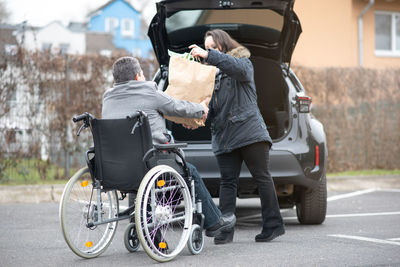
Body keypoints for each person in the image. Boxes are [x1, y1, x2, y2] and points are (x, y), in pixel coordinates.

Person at [101, 56, 235, 238]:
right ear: (137, 76)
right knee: (190, 172)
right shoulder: (148, 91)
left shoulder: (108, 97)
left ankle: (141, 225)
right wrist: (201, 109)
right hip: (150, 162)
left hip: (116, 167)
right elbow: (176, 106)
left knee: (148, 178)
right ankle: (214, 223)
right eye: (141, 73)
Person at [188, 29, 285, 244]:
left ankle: (273, 225)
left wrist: (209, 57)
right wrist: (199, 117)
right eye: (206, 49)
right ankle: (226, 230)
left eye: (212, 48)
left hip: (250, 133)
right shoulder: (210, 77)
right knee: (228, 183)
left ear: (223, 46)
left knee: (262, 178)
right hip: (225, 137)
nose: (207, 52)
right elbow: (213, 109)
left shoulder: (243, 63)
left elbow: (237, 69)